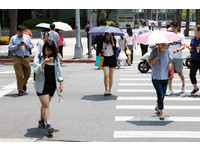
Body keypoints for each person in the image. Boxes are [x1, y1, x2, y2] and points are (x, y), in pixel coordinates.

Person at [33, 40, 63, 134]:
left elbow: (58, 71)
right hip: (41, 85)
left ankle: (41, 121)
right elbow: (36, 70)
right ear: (44, 49)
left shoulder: (55, 58)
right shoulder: (39, 57)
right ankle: (49, 125)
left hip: (51, 85)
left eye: (50, 50)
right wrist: (43, 63)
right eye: (47, 50)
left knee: (45, 104)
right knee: (46, 104)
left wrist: (61, 84)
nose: (48, 52)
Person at [148, 43, 172, 120]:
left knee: (163, 95)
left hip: (165, 77)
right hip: (156, 77)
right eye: (162, 43)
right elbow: (149, 63)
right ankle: (161, 112)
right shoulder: (154, 52)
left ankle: (158, 106)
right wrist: (155, 58)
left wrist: (170, 64)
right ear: (158, 44)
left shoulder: (168, 52)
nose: (164, 44)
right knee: (160, 94)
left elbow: (170, 60)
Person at [9, 25, 34, 96]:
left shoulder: (27, 37)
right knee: (19, 75)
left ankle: (23, 84)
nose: (21, 33)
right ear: (17, 31)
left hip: (26, 57)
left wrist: (27, 45)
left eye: (22, 31)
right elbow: (10, 48)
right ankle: (20, 90)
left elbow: (32, 46)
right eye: (20, 32)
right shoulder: (13, 38)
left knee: (28, 73)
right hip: (17, 57)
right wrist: (17, 46)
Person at [166, 22, 186, 96]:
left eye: (173, 27)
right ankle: (170, 89)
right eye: (171, 27)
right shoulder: (169, 36)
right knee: (170, 74)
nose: (172, 28)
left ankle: (183, 85)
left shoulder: (181, 36)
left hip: (178, 57)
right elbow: (167, 45)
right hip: (170, 58)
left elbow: (183, 46)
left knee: (180, 73)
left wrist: (177, 50)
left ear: (177, 27)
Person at [186, 25, 200, 94]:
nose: (194, 32)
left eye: (195, 30)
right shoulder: (193, 39)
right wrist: (189, 48)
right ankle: (195, 88)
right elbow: (192, 48)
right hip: (194, 59)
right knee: (191, 74)